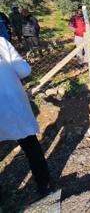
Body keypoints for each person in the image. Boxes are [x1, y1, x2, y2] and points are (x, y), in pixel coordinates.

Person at [0, 37, 50, 195]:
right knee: (30, 145)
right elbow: (24, 70)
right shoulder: (1, 42)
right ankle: (44, 185)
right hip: (12, 103)